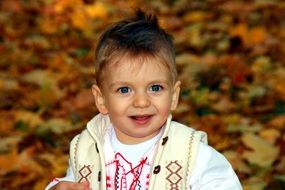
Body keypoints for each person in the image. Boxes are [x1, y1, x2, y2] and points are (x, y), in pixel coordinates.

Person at [45, 9, 242, 190]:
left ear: (173, 96)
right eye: (124, 90)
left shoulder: (190, 152)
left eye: (155, 88)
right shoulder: (86, 148)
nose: (141, 102)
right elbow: (69, 182)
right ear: (101, 100)